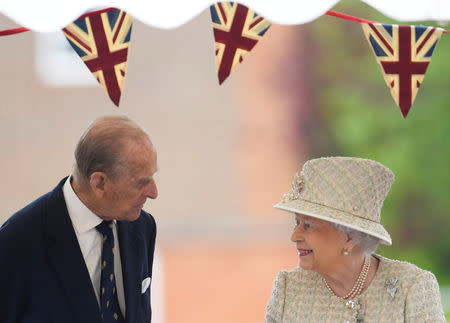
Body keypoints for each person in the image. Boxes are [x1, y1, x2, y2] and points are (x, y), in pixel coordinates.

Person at [0, 115, 159, 323]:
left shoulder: (142, 226)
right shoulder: (16, 242)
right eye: (141, 182)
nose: (154, 192)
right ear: (100, 183)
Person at [265, 157, 445, 323]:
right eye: (297, 222)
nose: (294, 236)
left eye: (308, 225)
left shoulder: (412, 288)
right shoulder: (289, 289)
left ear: (350, 237)